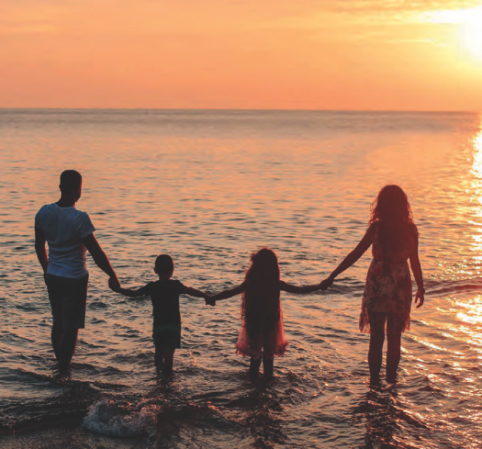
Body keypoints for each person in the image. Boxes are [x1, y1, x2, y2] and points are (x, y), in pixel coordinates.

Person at [321, 185, 424, 385]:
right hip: (400, 290)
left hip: (377, 289)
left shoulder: (376, 229)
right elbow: (415, 262)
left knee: (376, 338)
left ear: (381, 205)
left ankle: (374, 383)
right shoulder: (410, 230)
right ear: (404, 206)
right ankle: (391, 382)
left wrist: (333, 275)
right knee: (395, 339)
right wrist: (421, 287)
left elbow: (355, 254)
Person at [34, 170, 120, 371]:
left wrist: (46, 269)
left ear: (60, 186)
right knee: (71, 326)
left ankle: (60, 364)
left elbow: (39, 246)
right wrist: (112, 275)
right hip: (74, 278)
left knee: (58, 321)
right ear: (78, 190)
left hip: (53, 275)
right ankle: (64, 369)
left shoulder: (43, 212)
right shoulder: (79, 218)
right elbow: (96, 252)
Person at [210, 248, 323, 380]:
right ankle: (267, 384)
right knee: (268, 360)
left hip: (254, 322)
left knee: (255, 359)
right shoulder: (275, 284)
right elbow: (299, 290)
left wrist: (212, 298)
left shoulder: (251, 283)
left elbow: (230, 292)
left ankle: (253, 384)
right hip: (270, 323)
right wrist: (318, 286)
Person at [109, 254, 211, 374]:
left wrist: (119, 289)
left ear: (155, 270)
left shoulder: (152, 287)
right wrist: (206, 296)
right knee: (169, 357)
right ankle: (167, 380)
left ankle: (158, 377)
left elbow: (134, 293)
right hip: (173, 326)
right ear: (172, 271)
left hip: (159, 326)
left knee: (158, 354)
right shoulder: (175, 285)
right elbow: (191, 291)